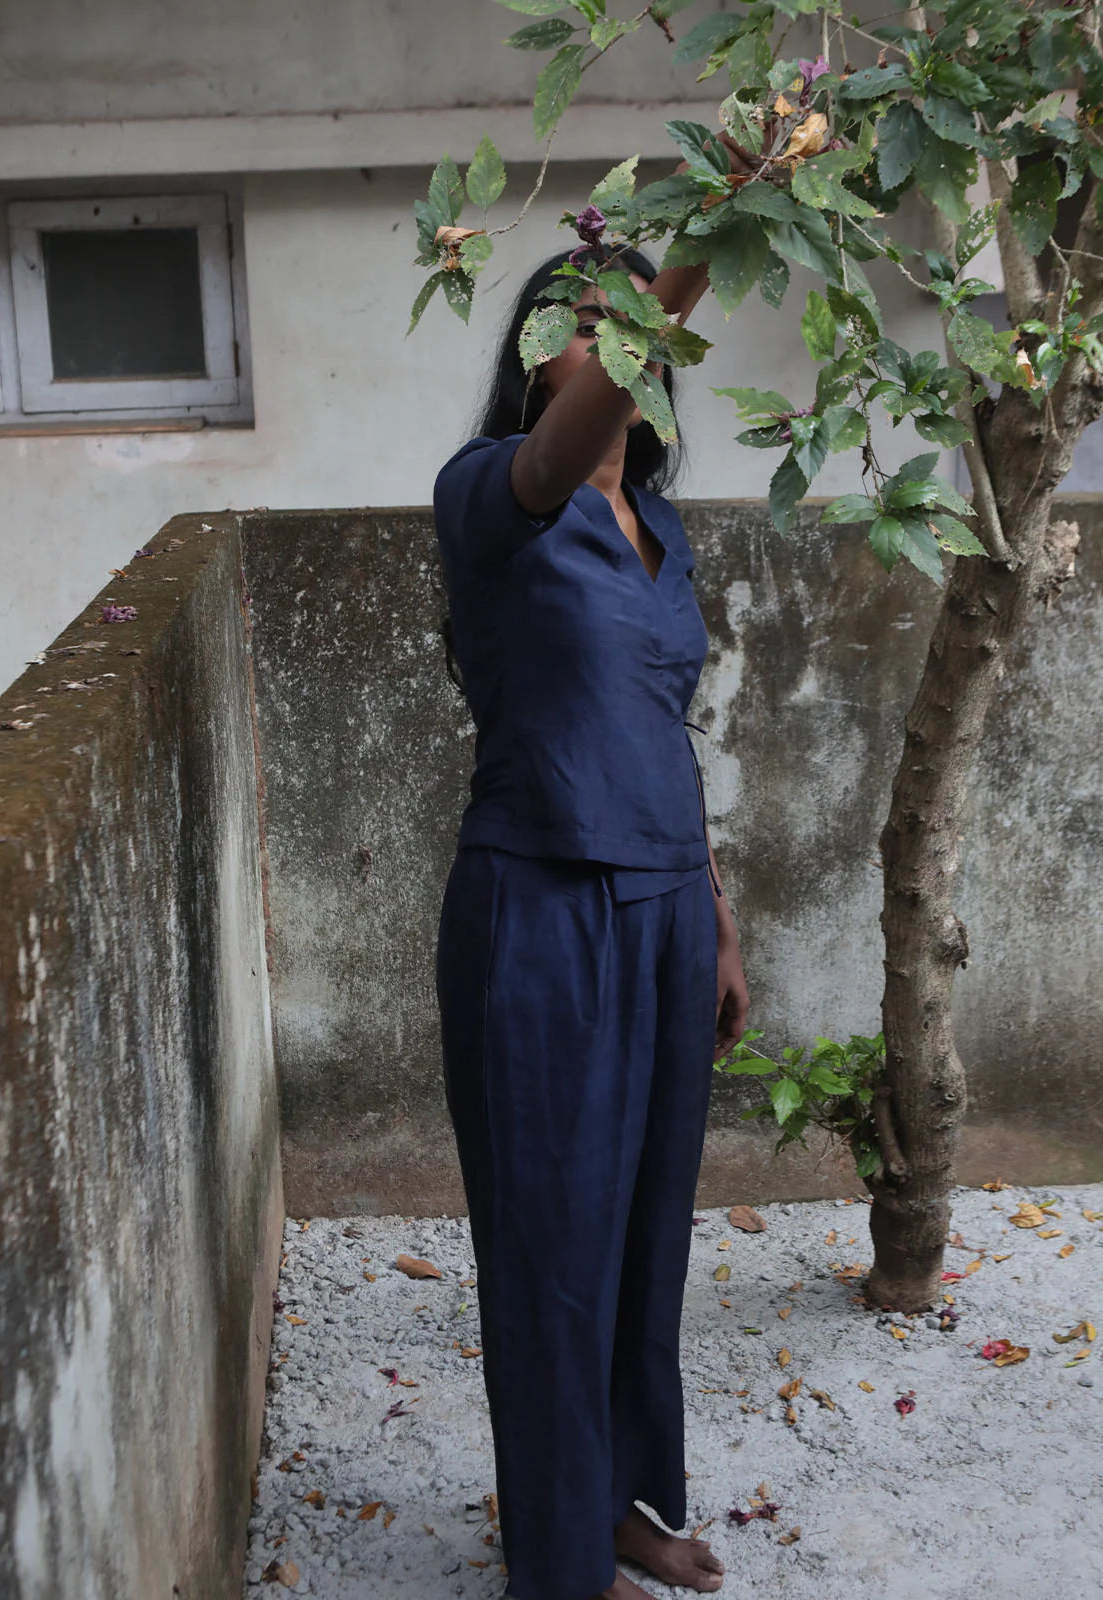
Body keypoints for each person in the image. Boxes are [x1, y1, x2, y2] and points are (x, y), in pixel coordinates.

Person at [432, 212, 751, 1600]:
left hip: (668, 913)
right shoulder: (495, 496)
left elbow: (666, 730)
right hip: (540, 917)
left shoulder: (661, 533)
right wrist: (705, 241)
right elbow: (565, 446)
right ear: (532, 356)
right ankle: (556, 1565)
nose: (607, 336)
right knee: (552, 1244)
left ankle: (619, 1504)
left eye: (627, 319)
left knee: (641, 1235)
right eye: (576, 315)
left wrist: (721, 924)